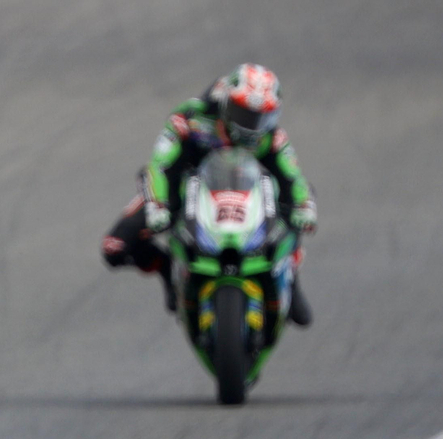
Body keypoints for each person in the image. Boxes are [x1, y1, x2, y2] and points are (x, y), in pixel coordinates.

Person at [102, 63, 316, 326]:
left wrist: (304, 206)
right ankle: (168, 269)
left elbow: (293, 177)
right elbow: (158, 164)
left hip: (250, 194)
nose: (252, 125)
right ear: (226, 103)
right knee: (113, 247)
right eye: (243, 113)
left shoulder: (271, 137)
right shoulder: (190, 117)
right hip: (183, 193)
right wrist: (159, 203)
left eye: (261, 117)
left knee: (298, 208)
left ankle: (290, 276)